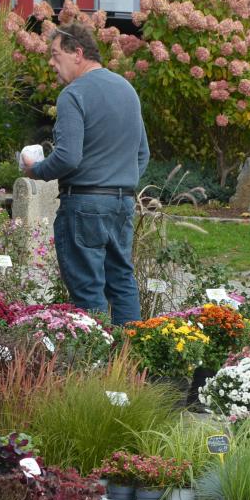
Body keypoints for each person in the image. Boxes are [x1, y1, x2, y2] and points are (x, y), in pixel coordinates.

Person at [21, 22, 149, 326]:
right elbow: (142, 154)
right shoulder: (127, 89)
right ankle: (131, 360)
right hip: (121, 203)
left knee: (87, 290)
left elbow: (67, 156)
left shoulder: (73, 94)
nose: (51, 63)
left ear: (78, 53)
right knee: (122, 283)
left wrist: (35, 170)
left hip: (83, 205)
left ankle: (97, 364)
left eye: (55, 54)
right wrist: (118, 180)